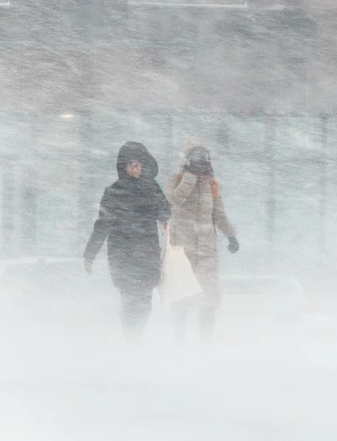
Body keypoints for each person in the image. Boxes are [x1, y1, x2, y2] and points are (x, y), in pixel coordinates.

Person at [84, 141, 172, 342]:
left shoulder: (151, 188)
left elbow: (165, 213)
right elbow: (102, 225)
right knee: (130, 299)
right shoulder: (114, 192)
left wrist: (153, 191)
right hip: (123, 255)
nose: (136, 168)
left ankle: (135, 337)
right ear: (124, 167)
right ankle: (131, 338)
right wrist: (90, 253)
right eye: (132, 164)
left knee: (145, 300)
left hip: (147, 254)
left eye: (139, 165)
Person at [165, 140, 239, 340]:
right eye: (196, 160)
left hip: (207, 251)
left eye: (204, 160)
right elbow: (175, 200)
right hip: (182, 250)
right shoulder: (175, 180)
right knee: (181, 297)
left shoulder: (211, 186)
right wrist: (189, 177)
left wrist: (231, 235)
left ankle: (206, 341)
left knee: (209, 298)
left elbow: (219, 214)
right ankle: (179, 339)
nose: (201, 164)